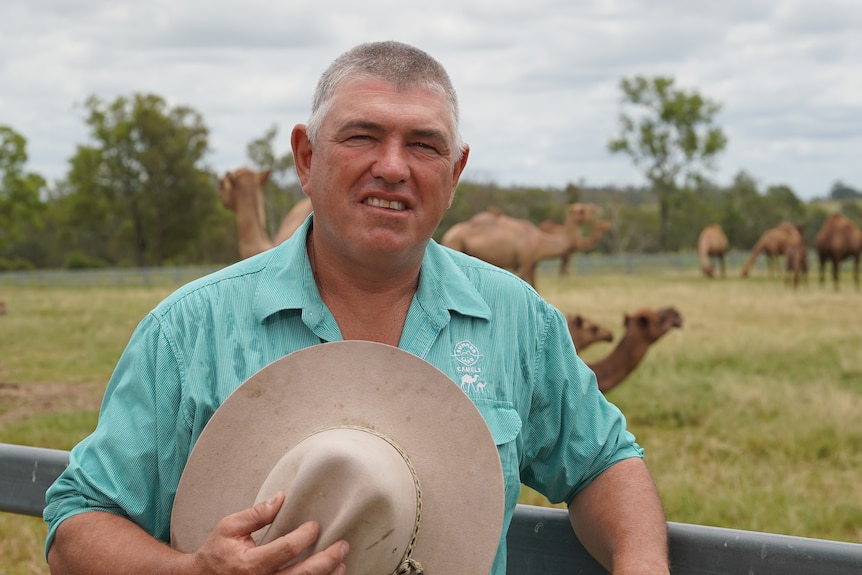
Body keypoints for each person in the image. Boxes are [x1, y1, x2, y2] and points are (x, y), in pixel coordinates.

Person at [44, 40, 670, 575]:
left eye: (424, 145)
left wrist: (642, 565)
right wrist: (188, 571)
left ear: (454, 173)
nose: (392, 167)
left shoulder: (516, 319)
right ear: (307, 158)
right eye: (362, 136)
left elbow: (602, 462)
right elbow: (79, 522)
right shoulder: (189, 332)